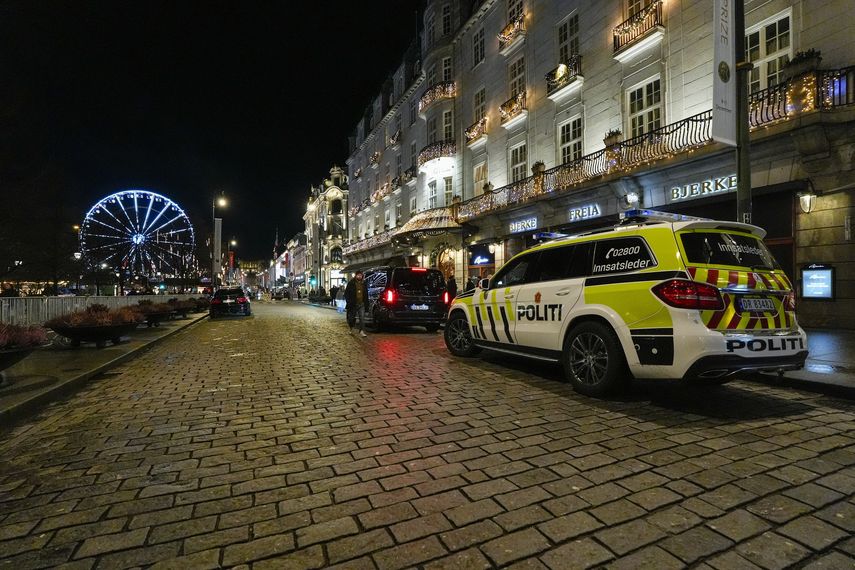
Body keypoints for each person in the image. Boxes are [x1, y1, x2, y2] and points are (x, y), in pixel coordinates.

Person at [344, 271, 369, 337]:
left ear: (362, 276)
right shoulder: (351, 283)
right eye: (358, 275)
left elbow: (366, 295)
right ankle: (351, 328)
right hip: (353, 304)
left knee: (362, 318)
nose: (359, 276)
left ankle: (361, 331)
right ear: (355, 276)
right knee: (351, 318)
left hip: (362, 304)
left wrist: (367, 307)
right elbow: (346, 293)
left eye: (360, 275)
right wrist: (349, 302)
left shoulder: (364, 283)